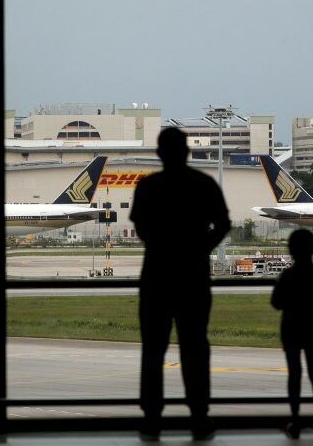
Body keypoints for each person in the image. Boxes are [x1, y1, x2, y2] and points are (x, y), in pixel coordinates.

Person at [129, 127, 230, 442]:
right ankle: (199, 417)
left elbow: (141, 227)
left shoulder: (148, 186)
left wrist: (161, 246)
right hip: (193, 277)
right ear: (187, 152)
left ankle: (152, 420)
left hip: (157, 276)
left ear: (159, 154)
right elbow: (223, 224)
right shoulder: (203, 184)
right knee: (195, 349)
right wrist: (200, 248)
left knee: (153, 352)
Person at [270, 229, 313, 439]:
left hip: (291, 328)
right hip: (312, 328)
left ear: (291, 250)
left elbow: (276, 303)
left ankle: (295, 420)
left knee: (294, 375)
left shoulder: (288, 275)